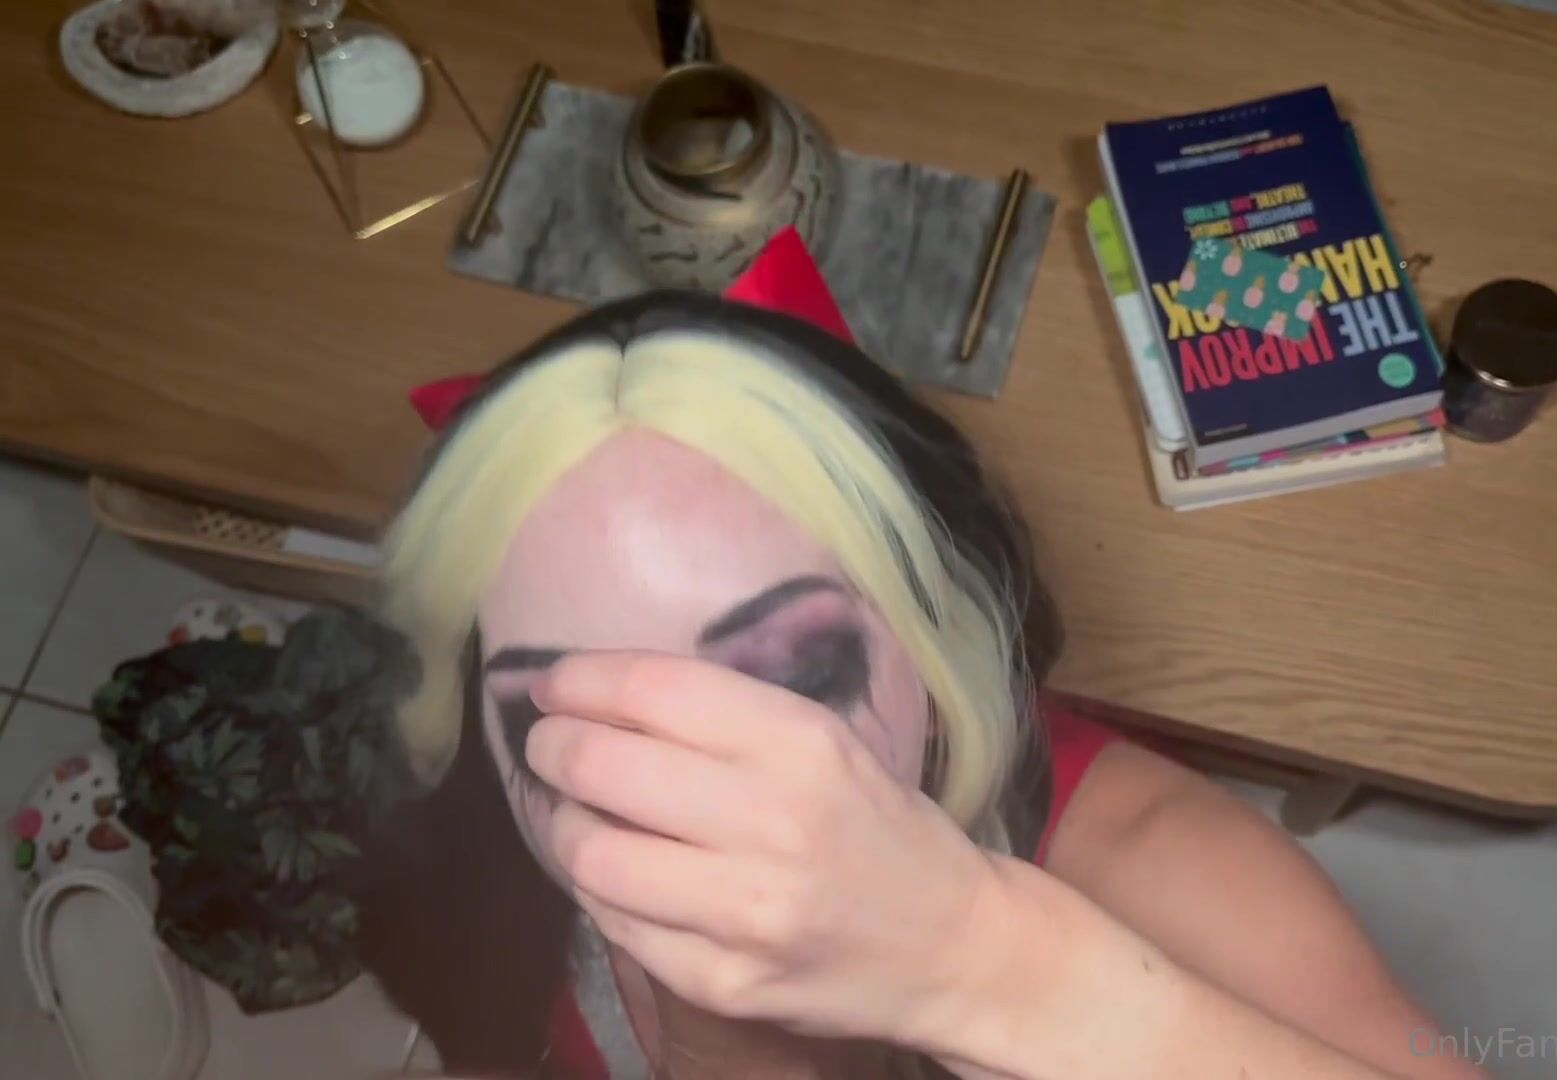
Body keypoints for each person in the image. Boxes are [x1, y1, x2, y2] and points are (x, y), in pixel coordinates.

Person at [361, 287, 1481, 1079]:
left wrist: (983, 968)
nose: (689, 797)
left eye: (798, 674)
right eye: (558, 719)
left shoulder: (1167, 871)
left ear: (933, 641)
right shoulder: (495, 873)